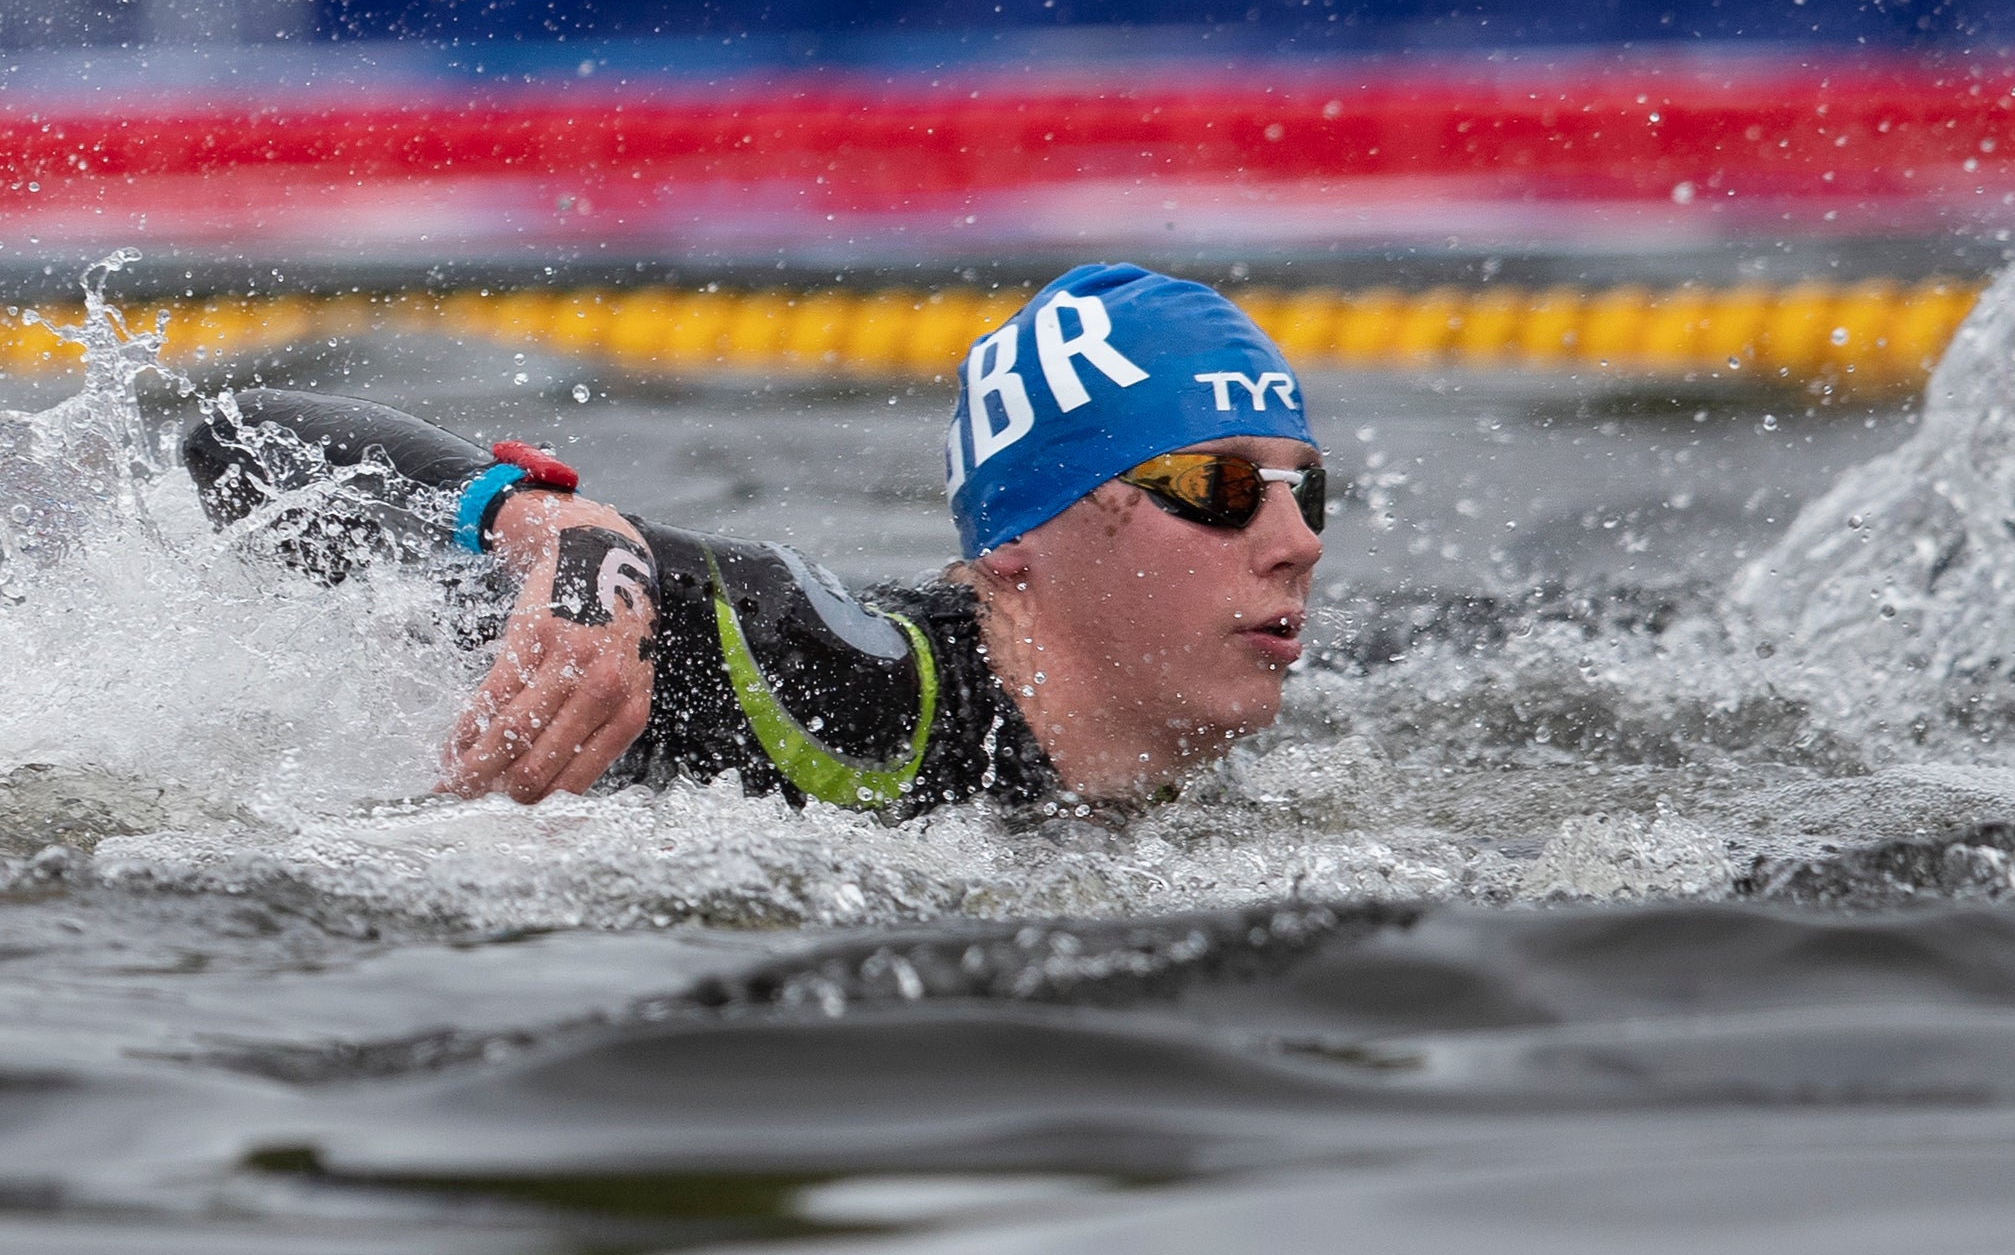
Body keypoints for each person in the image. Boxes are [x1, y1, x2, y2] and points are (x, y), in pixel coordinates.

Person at [183, 263, 1326, 814]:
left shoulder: (1220, 776)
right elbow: (236, 438)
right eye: (1219, 486)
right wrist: (549, 524)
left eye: (1305, 494)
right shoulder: (838, 673)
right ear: (1024, 533)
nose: (1295, 542)